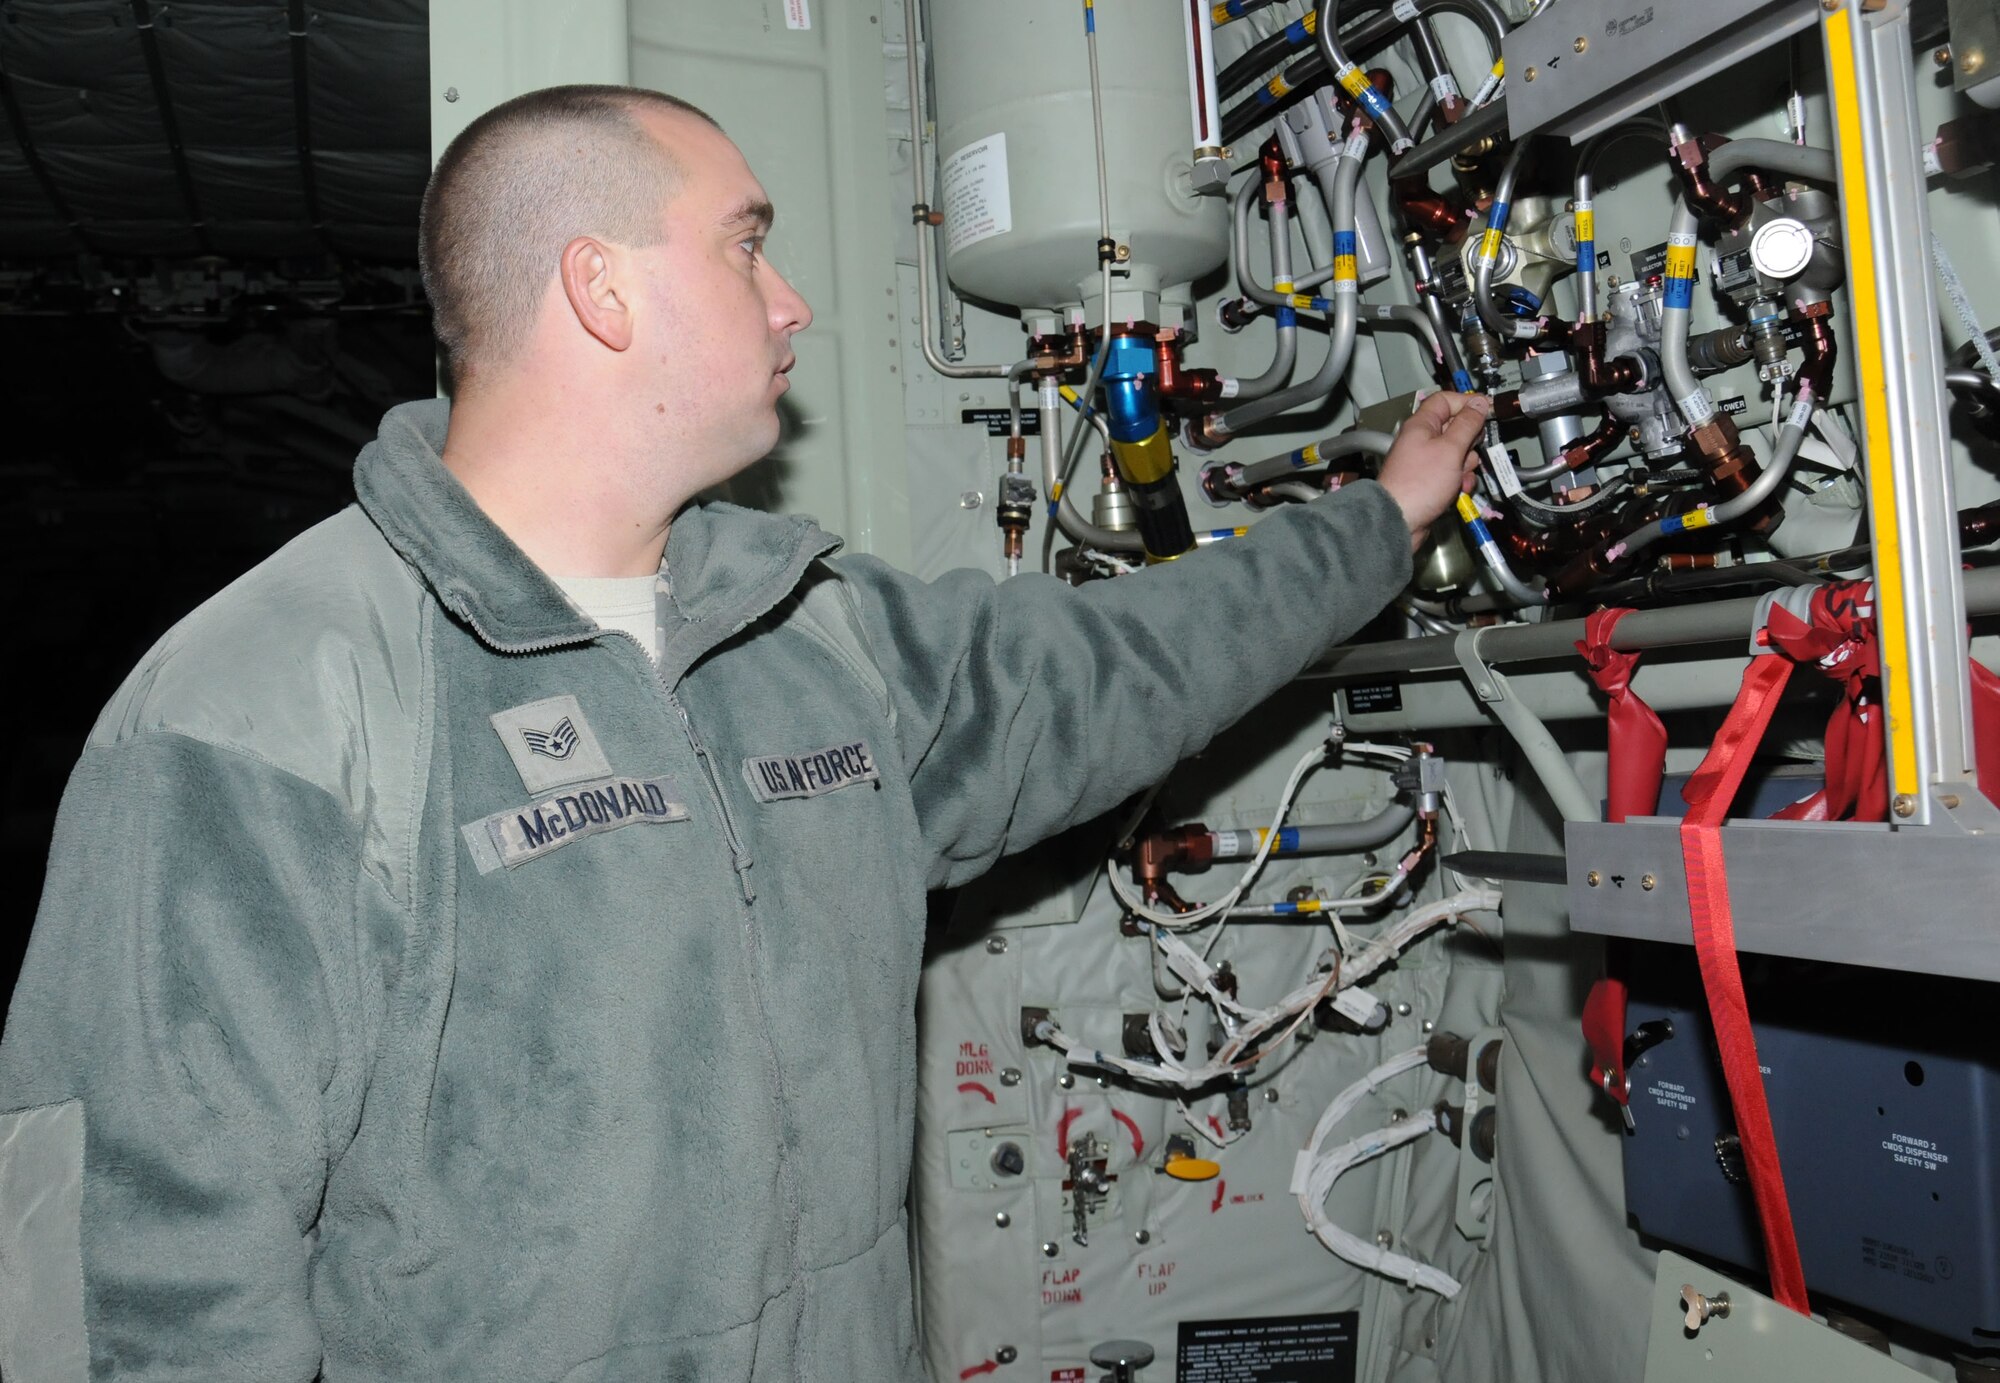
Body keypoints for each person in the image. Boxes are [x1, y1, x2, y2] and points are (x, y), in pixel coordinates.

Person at [0, 85, 1488, 1381]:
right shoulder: (262, 704)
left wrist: (1378, 524)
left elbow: (1109, 666)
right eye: (744, 241)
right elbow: (140, 1283)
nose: (792, 305)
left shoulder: (807, 629)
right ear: (602, 288)